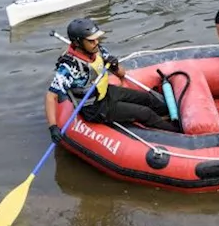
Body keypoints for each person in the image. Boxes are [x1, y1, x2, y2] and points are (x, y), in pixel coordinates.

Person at [45, 18, 178, 137]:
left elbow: (122, 74)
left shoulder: (97, 50)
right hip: (95, 108)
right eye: (91, 41)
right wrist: (53, 127)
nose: (96, 43)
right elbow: (51, 96)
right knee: (145, 113)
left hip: (106, 92)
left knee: (147, 98)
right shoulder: (69, 67)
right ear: (78, 42)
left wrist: (114, 66)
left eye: (96, 39)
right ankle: (177, 131)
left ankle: (173, 114)